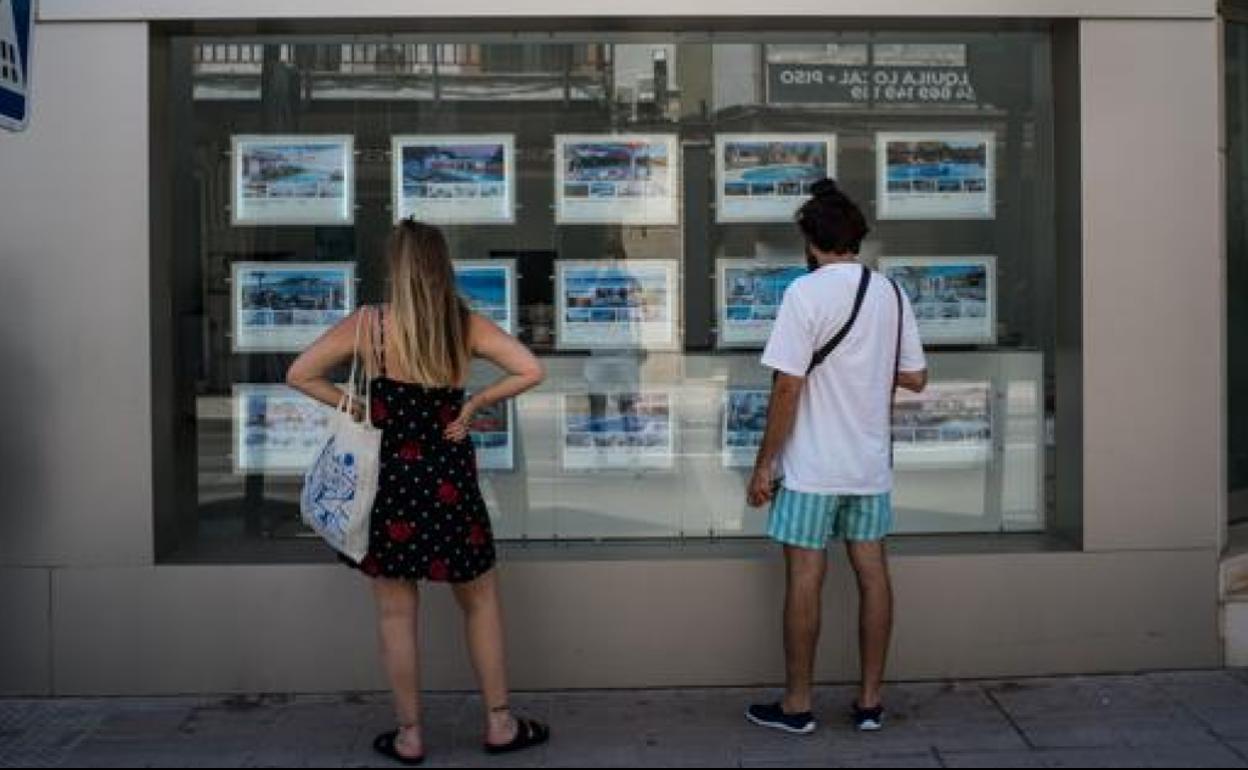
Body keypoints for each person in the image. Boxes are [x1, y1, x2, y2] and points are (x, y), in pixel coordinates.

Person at [287, 219, 549, 765]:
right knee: (479, 602)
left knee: (395, 614)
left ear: (397, 267)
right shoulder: (464, 326)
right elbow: (530, 368)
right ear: (441, 267)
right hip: (450, 479)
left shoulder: (371, 326)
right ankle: (500, 724)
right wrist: (474, 405)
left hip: (390, 482)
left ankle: (410, 735)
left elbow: (300, 373)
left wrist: (353, 406)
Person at [744, 179, 928, 735]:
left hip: (812, 468)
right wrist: (864, 366)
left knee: (806, 579)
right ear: (856, 238)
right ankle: (870, 702)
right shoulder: (890, 292)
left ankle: (798, 705)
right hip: (868, 467)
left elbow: (786, 389)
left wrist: (763, 465)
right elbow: (916, 377)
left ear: (811, 240)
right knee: (873, 575)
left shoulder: (806, 293)